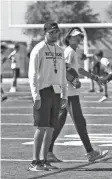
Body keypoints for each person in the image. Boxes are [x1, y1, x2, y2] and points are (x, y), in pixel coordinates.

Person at [47, 27, 108, 163]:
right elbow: (64, 69)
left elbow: (78, 69)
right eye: (75, 36)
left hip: (67, 92)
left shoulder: (72, 52)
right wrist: (74, 80)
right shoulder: (69, 51)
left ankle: (47, 151)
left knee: (59, 122)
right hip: (69, 93)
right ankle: (90, 153)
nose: (78, 38)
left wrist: (95, 77)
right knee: (80, 122)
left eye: (80, 36)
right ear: (68, 38)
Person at [28, 21, 67, 171]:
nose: (55, 35)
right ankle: (35, 161)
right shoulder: (38, 49)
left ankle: (44, 160)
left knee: (51, 128)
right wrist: (35, 95)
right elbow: (32, 74)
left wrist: (64, 94)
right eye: (51, 32)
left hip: (56, 92)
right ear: (45, 33)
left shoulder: (60, 50)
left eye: (56, 32)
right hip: (43, 92)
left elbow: (62, 73)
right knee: (42, 127)